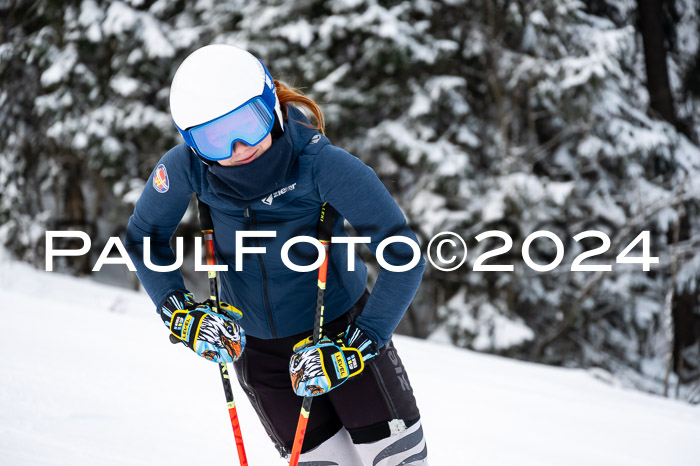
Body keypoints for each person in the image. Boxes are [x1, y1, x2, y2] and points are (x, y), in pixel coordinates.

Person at [125, 44, 428, 466]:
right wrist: (177, 310)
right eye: (214, 138)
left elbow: (404, 256)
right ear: (192, 142)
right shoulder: (187, 168)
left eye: (249, 124)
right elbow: (144, 236)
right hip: (261, 353)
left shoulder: (324, 165)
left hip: (340, 328)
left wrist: (360, 343)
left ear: (271, 104)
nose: (237, 147)